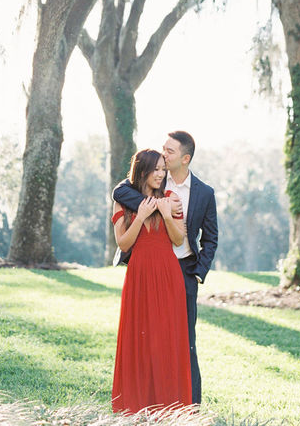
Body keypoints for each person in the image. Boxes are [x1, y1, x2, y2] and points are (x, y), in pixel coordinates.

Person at [113, 130, 218, 405]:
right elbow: (121, 191)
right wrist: (151, 209)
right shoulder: (143, 186)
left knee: (183, 341)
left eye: (169, 153)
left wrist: (198, 271)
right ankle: (141, 400)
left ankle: (187, 405)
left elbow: (208, 237)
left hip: (182, 269)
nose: (164, 158)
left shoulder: (202, 192)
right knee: (142, 337)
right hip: (144, 268)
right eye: (161, 154)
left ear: (185, 158)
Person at [111, 148, 192, 413]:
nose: (161, 174)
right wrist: (141, 217)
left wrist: (167, 215)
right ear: (142, 170)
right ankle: (136, 406)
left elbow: (178, 240)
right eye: (155, 169)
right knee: (138, 339)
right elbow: (123, 243)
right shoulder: (123, 201)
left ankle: (169, 408)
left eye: (163, 169)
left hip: (168, 275)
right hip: (138, 275)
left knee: (165, 340)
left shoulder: (171, 198)